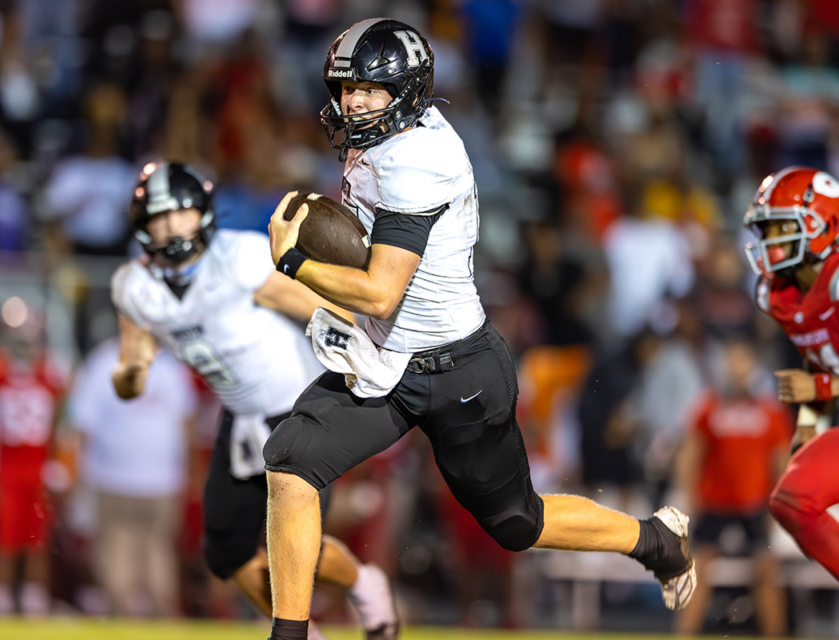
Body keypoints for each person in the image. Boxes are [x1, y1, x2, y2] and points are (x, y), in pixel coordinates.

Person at [263, 19, 696, 640]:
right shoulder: (390, 134)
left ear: (407, 93)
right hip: (388, 362)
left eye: (368, 88)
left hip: (456, 367)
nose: (353, 100)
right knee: (291, 463)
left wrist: (295, 264)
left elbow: (382, 291)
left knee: (517, 523)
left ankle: (656, 538)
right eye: (346, 85)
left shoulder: (419, 161)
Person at [110, 161, 398, 639]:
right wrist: (132, 374)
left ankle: (364, 585)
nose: (169, 226)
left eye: (178, 213)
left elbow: (326, 307)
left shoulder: (238, 258)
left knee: (288, 542)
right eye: (158, 217)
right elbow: (132, 364)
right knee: (228, 550)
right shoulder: (135, 287)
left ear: (200, 212)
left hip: (297, 407)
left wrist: (373, 355)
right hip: (241, 415)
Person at [742, 165, 839, 582]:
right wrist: (809, 429)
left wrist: (817, 386)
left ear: (822, 223)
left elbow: (820, 375)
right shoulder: (780, 294)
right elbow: (821, 356)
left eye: (781, 228)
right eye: (767, 232)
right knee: (794, 499)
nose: (771, 244)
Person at [68, 336, 198, 617]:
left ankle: (154, 624)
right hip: (114, 480)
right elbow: (82, 430)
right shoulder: (106, 361)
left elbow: (187, 425)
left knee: (154, 567)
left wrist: (189, 475)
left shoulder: (165, 366)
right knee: (121, 571)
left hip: (156, 482)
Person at [674, 336, 790, 636]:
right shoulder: (709, 408)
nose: (738, 369)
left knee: (766, 572)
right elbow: (691, 454)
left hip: (754, 505)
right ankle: (683, 634)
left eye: (743, 362)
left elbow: (779, 462)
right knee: (697, 571)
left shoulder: (770, 412)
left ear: (754, 367)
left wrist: (777, 503)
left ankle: (775, 634)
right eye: (733, 361)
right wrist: (690, 496)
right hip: (714, 504)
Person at [0, 297, 67, 616]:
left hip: (36, 469)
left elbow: (59, 420)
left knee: (37, 540)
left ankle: (34, 601)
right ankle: (0, 601)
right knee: (4, 541)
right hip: (7, 470)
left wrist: (58, 462)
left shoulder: (50, 374)